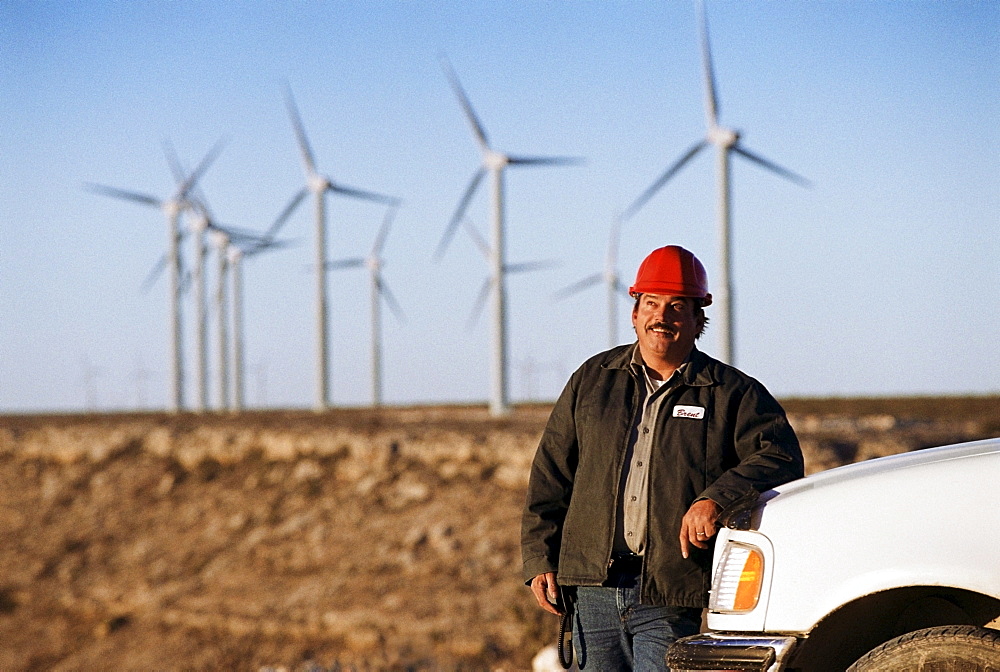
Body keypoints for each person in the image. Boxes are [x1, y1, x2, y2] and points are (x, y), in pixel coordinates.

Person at [522, 245, 804, 670]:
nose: (662, 316)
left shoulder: (731, 392)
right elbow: (551, 475)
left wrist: (715, 499)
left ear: (697, 319)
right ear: (635, 313)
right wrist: (540, 558)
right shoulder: (592, 380)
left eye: (677, 306)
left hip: (670, 592)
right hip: (590, 590)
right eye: (651, 303)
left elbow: (780, 455)